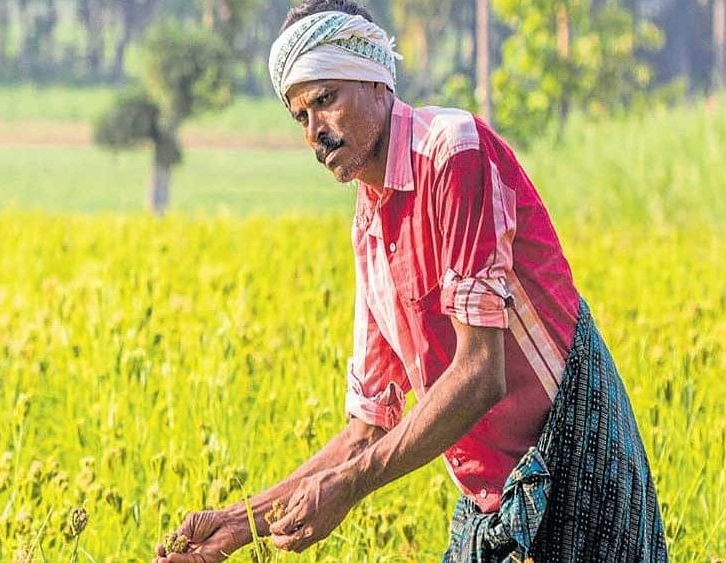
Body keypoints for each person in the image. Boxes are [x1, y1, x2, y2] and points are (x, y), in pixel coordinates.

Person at [154, 1, 667, 561]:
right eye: (301, 117)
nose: (316, 133)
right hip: (491, 495)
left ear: (375, 78)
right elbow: (367, 428)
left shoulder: (452, 151)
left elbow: (479, 372)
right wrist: (237, 524)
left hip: (573, 458)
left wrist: (349, 486)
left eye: (326, 100)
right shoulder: (369, 224)